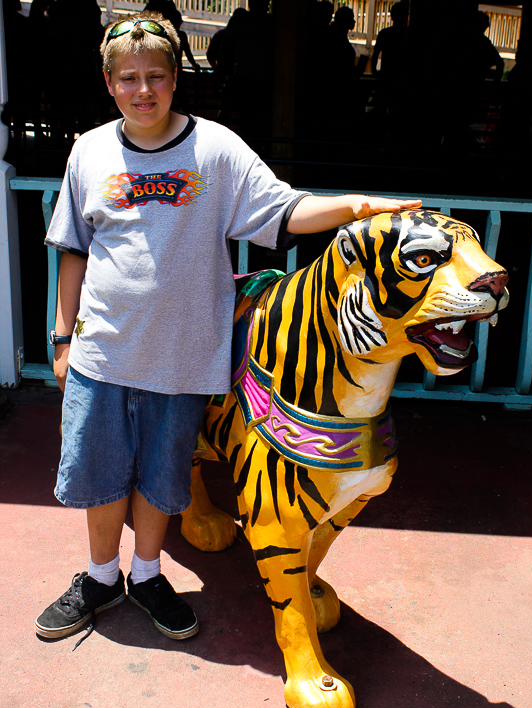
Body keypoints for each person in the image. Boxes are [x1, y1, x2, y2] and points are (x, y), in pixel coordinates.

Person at [34, 11, 421, 644]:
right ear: (109, 83)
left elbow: (284, 210)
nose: (143, 90)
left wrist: (355, 205)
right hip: (101, 350)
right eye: (128, 78)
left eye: (156, 75)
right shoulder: (89, 151)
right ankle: (101, 578)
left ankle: (149, 574)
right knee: (101, 472)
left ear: (176, 77)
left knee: (163, 477)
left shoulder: (215, 148)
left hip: (187, 357)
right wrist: (61, 336)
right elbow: (73, 248)